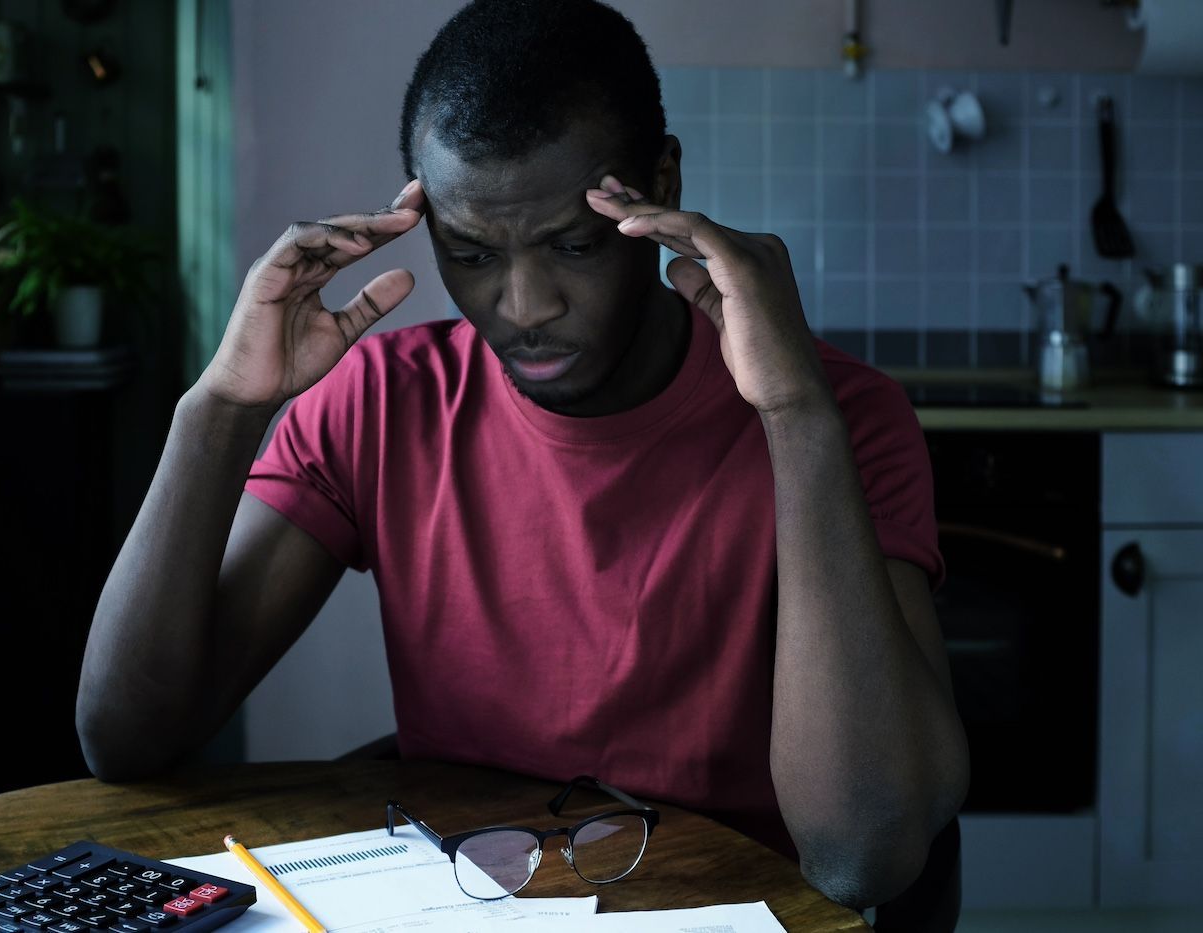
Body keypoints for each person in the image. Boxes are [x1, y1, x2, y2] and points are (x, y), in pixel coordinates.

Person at [76, 0, 969, 912]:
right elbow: (125, 738)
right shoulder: (385, 401)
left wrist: (793, 416)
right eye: (469, 252)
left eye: (574, 245)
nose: (526, 304)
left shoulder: (840, 414)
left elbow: (863, 853)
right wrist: (221, 408)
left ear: (660, 181)